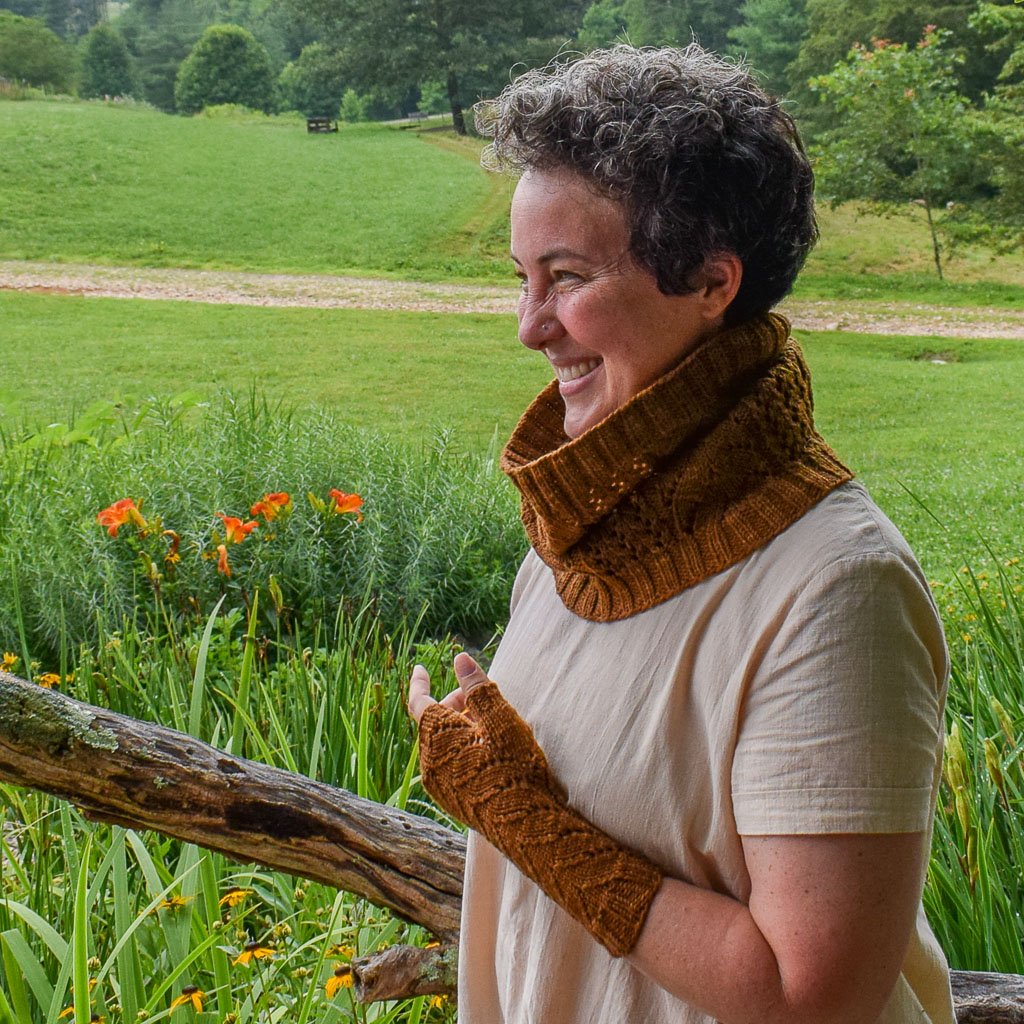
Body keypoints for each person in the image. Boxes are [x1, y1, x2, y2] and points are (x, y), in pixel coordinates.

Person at [407, 44, 954, 1024]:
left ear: (709, 283)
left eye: (566, 276)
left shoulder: (836, 588)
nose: (529, 325)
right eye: (521, 277)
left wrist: (520, 816)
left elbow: (806, 996)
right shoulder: (573, 535)